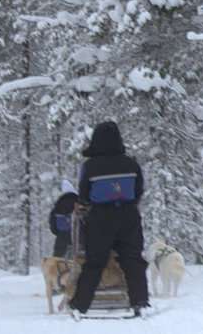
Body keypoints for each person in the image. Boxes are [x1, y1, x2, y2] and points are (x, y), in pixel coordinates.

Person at [67, 120, 150, 316]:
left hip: (101, 218)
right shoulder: (131, 163)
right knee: (133, 261)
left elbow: (84, 195)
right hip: (128, 216)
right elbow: (139, 190)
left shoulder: (90, 166)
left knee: (95, 262)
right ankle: (140, 302)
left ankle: (80, 306)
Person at [48, 178, 78, 258]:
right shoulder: (80, 205)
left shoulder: (56, 208)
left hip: (61, 240)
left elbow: (53, 228)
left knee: (58, 262)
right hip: (78, 239)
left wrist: (60, 234)